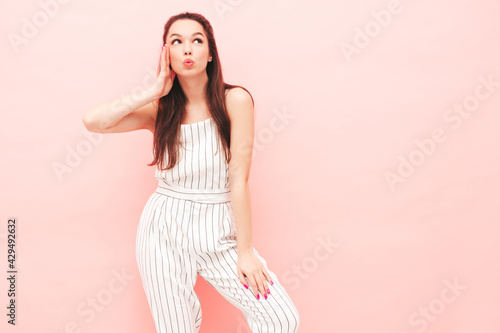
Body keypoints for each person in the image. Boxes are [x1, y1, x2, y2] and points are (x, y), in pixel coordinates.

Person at [82, 11, 300, 333]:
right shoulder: (160, 110)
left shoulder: (234, 100)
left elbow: (239, 180)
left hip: (218, 229)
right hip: (163, 229)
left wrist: (246, 251)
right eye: (177, 42)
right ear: (166, 53)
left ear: (210, 53)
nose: (187, 49)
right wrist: (152, 91)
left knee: (281, 318)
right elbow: (93, 121)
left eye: (197, 41)